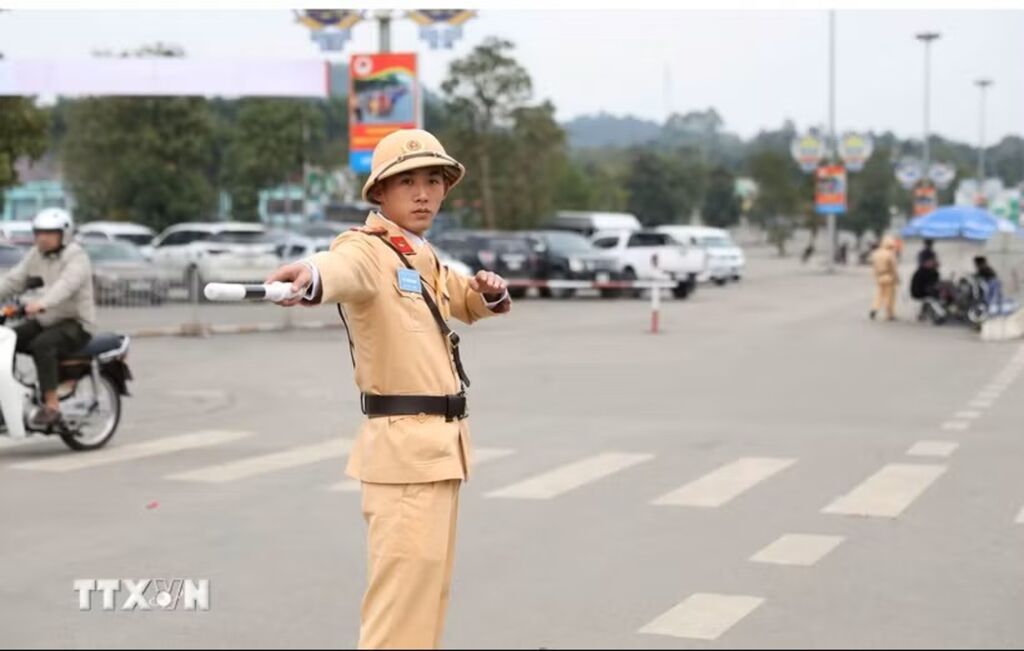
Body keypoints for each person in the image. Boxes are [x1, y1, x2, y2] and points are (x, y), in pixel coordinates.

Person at [266, 129, 511, 649]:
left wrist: (489, 293)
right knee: (399, 611)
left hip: (437, 450)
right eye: (407, 182)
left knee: (425, 602)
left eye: (433, 181)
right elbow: (340, 269)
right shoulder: (367, 249)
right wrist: (310, 275)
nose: (423, 194)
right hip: (404, 453)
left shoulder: (419, 254)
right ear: (379, 191)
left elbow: (461, 300)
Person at [0, 208, 95, 427]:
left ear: (65, 234)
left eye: (50, 233)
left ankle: (51, 405)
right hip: (46, 320)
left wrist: (42, 303)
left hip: (75, 322)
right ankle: (8, 395)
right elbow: (13, 281)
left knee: (43, 344)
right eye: (39, 233)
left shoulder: (76, 256)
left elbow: (66, 285)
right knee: (6, 338)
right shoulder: (36, 254)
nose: (43, 238)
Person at [869, 235, 899, 321]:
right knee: (889, 297)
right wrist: (897, 278)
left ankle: (874, 308)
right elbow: (893, 268)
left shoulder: (875, 253)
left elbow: (873, 267)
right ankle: (889, 314)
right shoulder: (890, 254)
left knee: (878, 295)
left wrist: (875, 276)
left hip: (879, 277)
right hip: (889, 277)